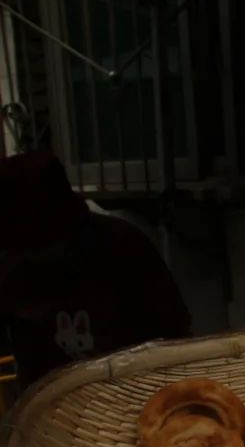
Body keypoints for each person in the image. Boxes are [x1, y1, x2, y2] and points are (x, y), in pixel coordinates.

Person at [0, 151, 192, 393]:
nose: (34, 254)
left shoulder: (122, 248)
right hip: (48, 408)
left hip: (133, 397)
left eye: (39, 245)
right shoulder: (15, 270)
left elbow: (175, 336)